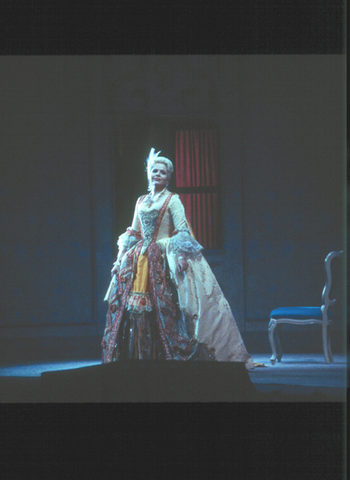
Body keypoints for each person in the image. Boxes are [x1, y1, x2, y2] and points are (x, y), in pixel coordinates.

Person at [101, 148, 255, 369]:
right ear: (148, 174)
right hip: (139, 258)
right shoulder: (141, 200)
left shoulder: (173, 200)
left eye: (163, 172)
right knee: (132, 306)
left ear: (168, 177)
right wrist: (119, 261)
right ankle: (138, 355)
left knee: (167, 305)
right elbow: (133, 232)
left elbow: (181, 230)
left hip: (163, 256)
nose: (158, 175)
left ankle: (165, 356)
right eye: (154, 171)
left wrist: (181, 256)